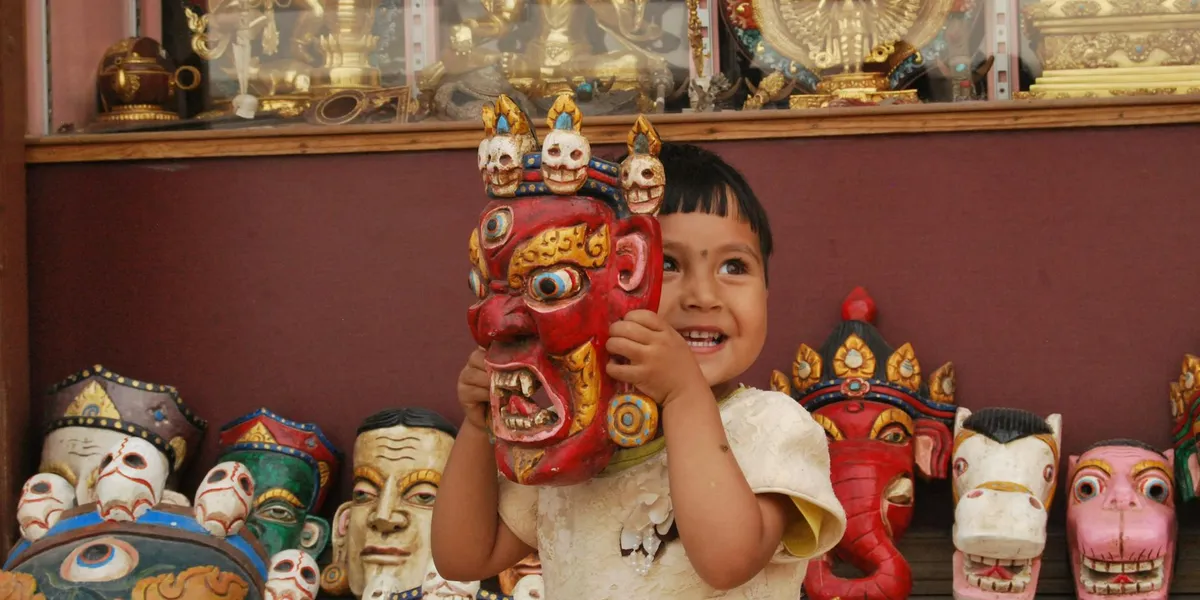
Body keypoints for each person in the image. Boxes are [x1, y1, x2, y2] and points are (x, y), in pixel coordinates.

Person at [433, 141, 847, 599]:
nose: (703, 296)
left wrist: (684, 395)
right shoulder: (575, 432)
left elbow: (727, 561)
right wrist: (477, 426)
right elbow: (464, 557)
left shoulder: (771, 426)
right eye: (668, 264)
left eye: (735, 265)